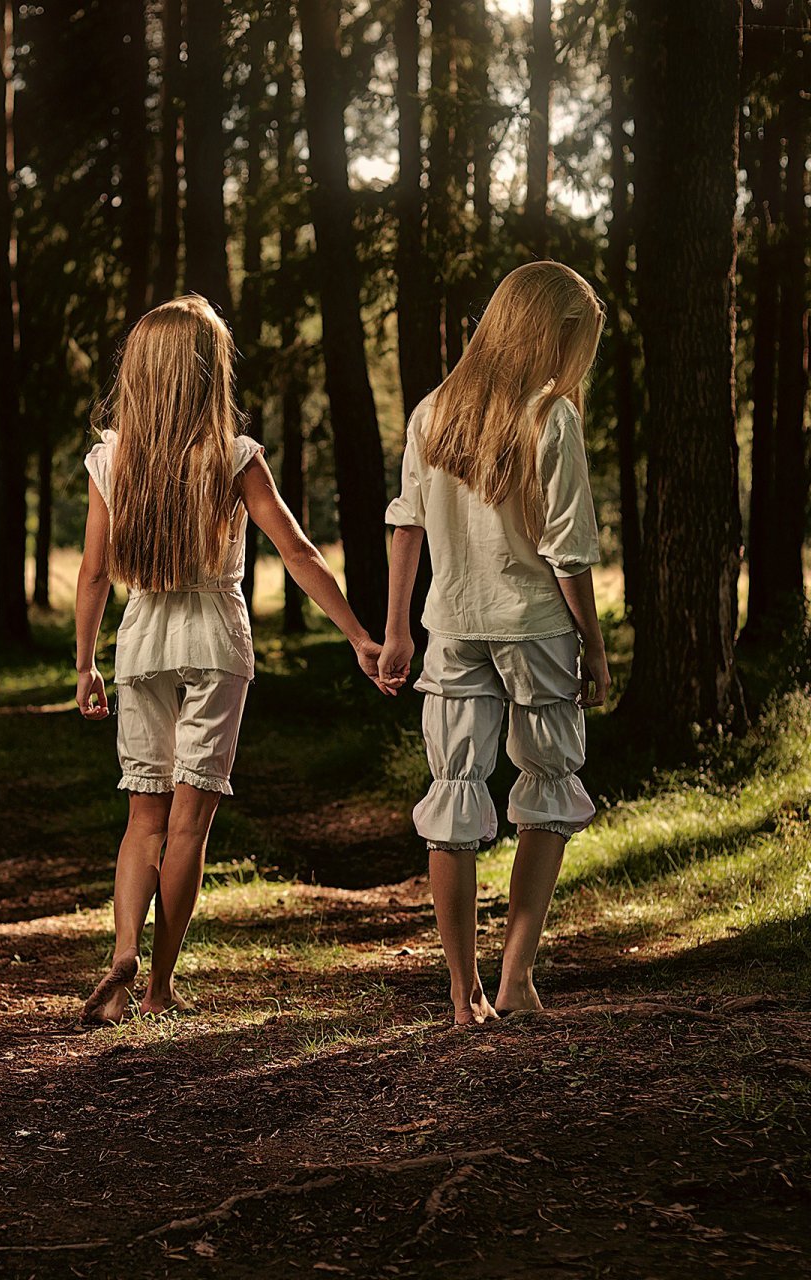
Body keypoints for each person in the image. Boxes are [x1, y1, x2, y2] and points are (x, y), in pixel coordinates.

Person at [75, 295, 383, 1025]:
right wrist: (358, 636)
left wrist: (85, 664)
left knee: (141, 820)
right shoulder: (234, 457)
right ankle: (157, 986)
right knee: (188, 827)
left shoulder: (111, 457)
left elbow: (93, 574)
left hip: (141, 640)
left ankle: (123, 952)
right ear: (208, 373)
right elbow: (299, 553)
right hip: (215, 637)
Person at [377, 261, 612, 1026]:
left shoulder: (432, 412)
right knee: (545, 793)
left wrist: (395, 630)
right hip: (536, 628)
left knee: (454, 796)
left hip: (449, 624)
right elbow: (568, 554)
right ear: (551, 332)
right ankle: (515, 980)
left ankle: (460, 992)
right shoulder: (551, 416)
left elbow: (405, 524)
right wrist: (597, 647)